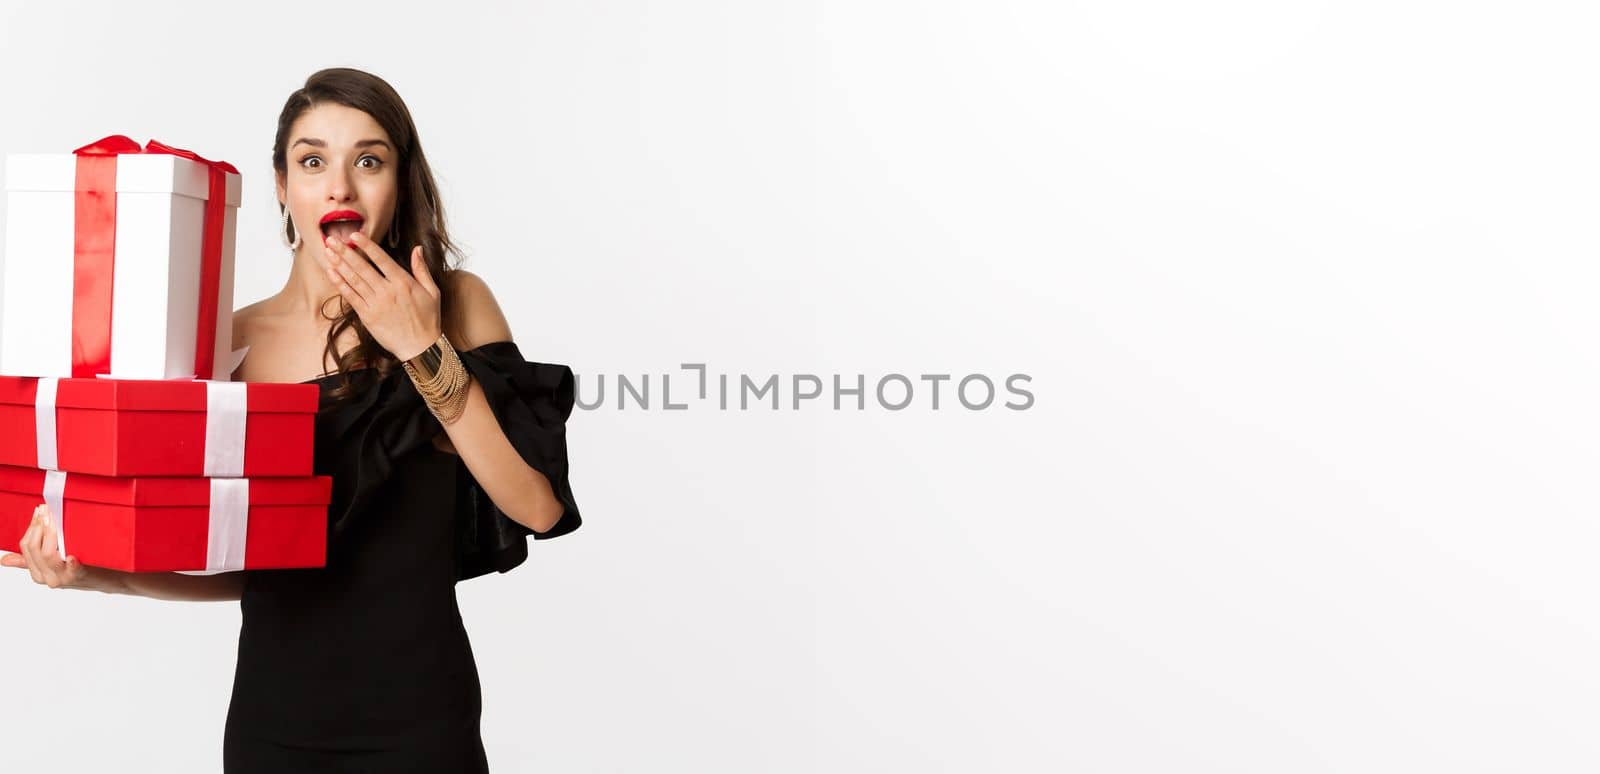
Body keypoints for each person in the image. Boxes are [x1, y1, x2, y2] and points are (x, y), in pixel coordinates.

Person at [0, 67, 583, 772]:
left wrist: (421, 348)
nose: (339, 186)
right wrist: (100, 574)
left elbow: (538, 506)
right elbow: (247, 569)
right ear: (281, 185)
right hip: (275, 729)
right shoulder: (228, 343)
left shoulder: (453, 304)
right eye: (312, 161)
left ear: (398, 184)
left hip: (424, 726)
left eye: (368, 160)